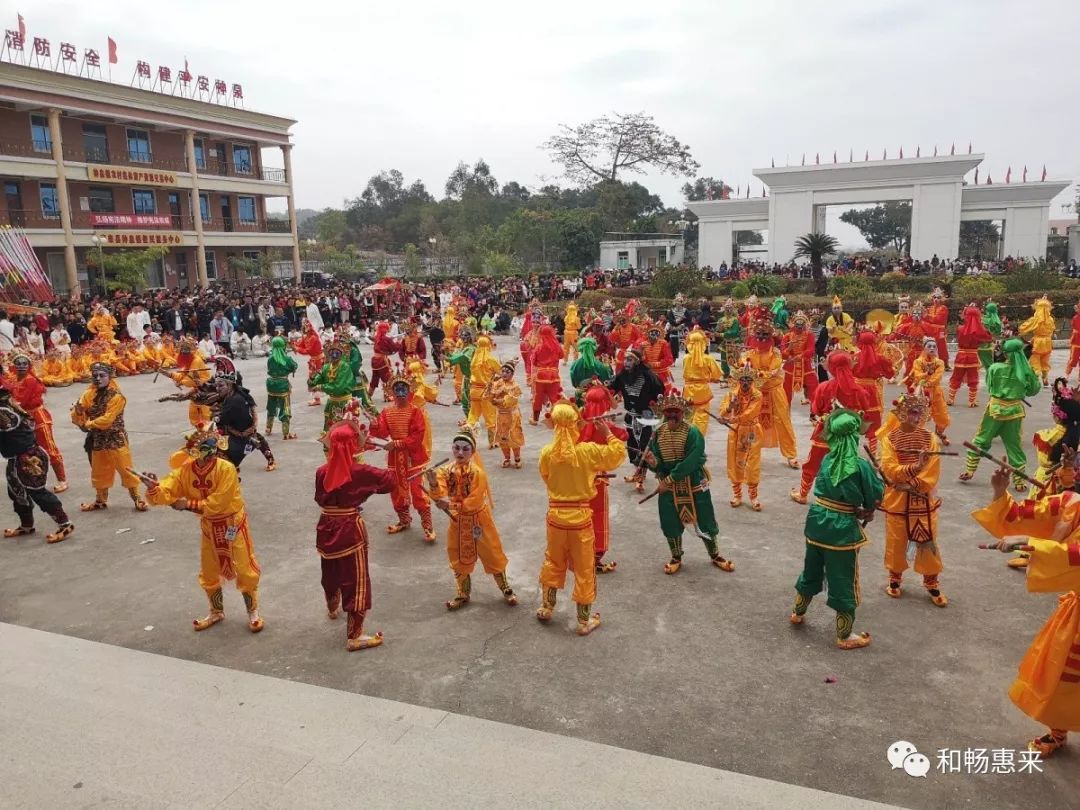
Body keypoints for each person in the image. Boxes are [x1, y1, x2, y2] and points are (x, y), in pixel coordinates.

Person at [973, 466, 1080, 758]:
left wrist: (1029, 543)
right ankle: (1058, 731)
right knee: (1061, 676)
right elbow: (1028, 514)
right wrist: (1000, 490)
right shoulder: (1071, 505)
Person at [141, 427, 264, 633]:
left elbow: (220, 502)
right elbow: (168, 489)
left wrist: (188, 505)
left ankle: (253, 611)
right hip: (210, 526)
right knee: (209, 570)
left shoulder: (226, 469)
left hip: (232, 524)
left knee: (244, 567)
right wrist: (154, 487)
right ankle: (216, 611)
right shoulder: (186, 471)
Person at [789, 409, 883, 649]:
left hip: (817, 522)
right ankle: (844, 635)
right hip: (841, 530)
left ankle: (797, 612)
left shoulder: (828, 459)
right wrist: (867, 506)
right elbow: (875, 495)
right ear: (853, 437)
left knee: (811, 569)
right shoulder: (860, 466)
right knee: (843, 579)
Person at [536, 401, 625, 635]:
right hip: (580, 519)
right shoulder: (587, 451)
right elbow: (618, 454)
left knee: (553, 561)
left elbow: (546, 478)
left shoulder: (546, 453)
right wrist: (608, 433)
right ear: (575, 424)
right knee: (585, 569)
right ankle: (583, 621)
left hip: (556, 516)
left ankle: (547, 607)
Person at [314, 420, 396, 651]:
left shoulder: (321, 472)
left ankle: (332, 606)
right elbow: (390, 481)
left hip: (325, 525)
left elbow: (319, 497)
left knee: (329, 568)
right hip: (350, 528)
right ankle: (354, 634)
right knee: (357, 580)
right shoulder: (360, 471)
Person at [641, 389, 736, 575]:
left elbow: (692, 461)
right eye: (668, 412)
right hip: (668, 485)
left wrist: (668, 479)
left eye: (675, 412)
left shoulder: (693, 432)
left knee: (705, 517)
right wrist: (653, 463)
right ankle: (676, 557)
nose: (671, 415)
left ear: (683, 413)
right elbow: (658, 462)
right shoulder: (658, 433)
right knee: (669, 520)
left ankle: (715, 554)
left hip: (693, 481)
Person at [427, 426, 518, 611]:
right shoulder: (445, 470)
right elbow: (440, 493)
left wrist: (451, 505)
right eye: (456, 448)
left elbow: (475, 500)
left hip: (478, 519)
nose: (460, 452)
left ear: (473, 451)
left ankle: (505, 587)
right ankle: (463, 593)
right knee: (458, 555)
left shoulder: (478, 473)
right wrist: (434, 483)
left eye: (465, 449)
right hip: (458, 521)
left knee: (492, 553)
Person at [879, 390, 947, 606]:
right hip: (897, 499)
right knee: (896, 540)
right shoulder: (889, 439)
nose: (917, 417)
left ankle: (932, 582)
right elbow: (888, 467)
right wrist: (914, 467)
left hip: (922, 498)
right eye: (912, 413)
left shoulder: (931, 439)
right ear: (902, 414)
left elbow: (932, 469)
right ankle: (895, 579)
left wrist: (912, 481)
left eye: (920, 413)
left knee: (927, 540)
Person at [790, 351, 874, 505]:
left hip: (824, 433)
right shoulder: (859, 390)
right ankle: (843, 497)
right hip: (847, 436)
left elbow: (816, 410)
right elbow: (865, 410)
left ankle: (803, 493)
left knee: (813, 463)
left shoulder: (824, 387)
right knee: (845, 463)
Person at [961, 338, 1042, 490]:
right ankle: (1019, 482)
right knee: (1014, 447)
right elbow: (1033, 390)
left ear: (1005, 353)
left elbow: (990, 385)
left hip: (995, 410)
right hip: (1015, 413)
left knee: (980, 439)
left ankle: (969, 470)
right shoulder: (1027, 372)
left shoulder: (995, 368)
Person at [0, 386, 74, 544]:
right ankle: (26, 525)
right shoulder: (6, 402)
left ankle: (64, 524)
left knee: (37, 492)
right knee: (17, 491)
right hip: (16, 457)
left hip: (29, 457)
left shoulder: (4, 409)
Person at [70, 362, 148, 512]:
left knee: (126, 469)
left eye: (102, 375)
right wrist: (79, 412)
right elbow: (77, 415)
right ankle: (100, 500)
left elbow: (107, 419)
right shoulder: (88, 394)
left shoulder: (117, 397)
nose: (98, 378)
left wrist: (88, 423)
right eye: (95, 376)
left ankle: (137, 498)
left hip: (115, 437)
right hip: (98, 439)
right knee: (99, 470)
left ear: (109, 377)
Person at [368, 367, 434, 541]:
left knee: (417, 490)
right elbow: (381, 433)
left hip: (413, 457)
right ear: (392, 392)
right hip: (395, 458)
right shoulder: (387, 411)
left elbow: (418, 435)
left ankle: (427, 525)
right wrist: (374, 423)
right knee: (396, 489)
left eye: (404, 389)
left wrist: (397, 443)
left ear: (409, 390)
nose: (400, 392)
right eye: (397, 389)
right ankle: (404, 520)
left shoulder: (415, 411)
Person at [578, 381, 627, 573]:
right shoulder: (605, 426)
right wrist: (609, 431)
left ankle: (579, 554)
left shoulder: (577, 421)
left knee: (580, 515)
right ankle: (595, 558)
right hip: (597, 480)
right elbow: (623, 439)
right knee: (597, 517)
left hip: (576, 480)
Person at [741, 313, 799, 469]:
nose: (761, 337)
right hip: (755, 393)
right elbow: (744, 371)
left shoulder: (776, 353)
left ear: (771, 335)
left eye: (765, 334)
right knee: (750, 422)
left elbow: (773, 371)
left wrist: (756, 373)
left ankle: (790, 454)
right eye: (758, 334)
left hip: (774, 391)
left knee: (783, 421)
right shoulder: (748, 354)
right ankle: (748, 452)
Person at [5, 352, 67, 492]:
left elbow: (22, 400)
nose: (21, 366)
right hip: (23, 418)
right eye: (18, 364)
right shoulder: (15, 380)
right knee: (27, 451)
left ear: (29, 366)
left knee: (49, 449)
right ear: (14, 366)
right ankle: (32, 480)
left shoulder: (30, 380)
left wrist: (10, 402)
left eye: (24, 364)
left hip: (38, 418)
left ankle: (62, 480)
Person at [608, 347, 665, 493]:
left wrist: (655, 403)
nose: (626, 362)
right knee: (632, 444)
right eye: (626, 359)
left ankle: (641, 477)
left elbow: (660, 391)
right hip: (630, 414)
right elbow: (612, 387)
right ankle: (637, 473)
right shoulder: (622, 375)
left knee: (644, 446)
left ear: (637, 361)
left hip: (645, 413)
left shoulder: (648, 376)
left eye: (630, 359)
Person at [719, 362, 763, 511]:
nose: (745, 383)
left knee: (752, 464)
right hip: (736, 431)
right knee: (734, 462)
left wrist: (735, 418)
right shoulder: (731, 394)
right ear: (738, 380)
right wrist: (729, 408)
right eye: (742, 379)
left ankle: (753, 496)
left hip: (752, 431)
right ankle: (737, 494)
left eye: (748, 380)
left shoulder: (757, 394)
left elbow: (751, 412)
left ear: (753, 381)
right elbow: (722, 413)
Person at [309, 337, 357, 434]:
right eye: (332, 353)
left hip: (344, 403)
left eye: (337, 353)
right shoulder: (326, 367)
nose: (334, 355)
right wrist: (312, 377)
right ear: (328, 354)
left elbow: (338, 388)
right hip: (332, 403)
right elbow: (316, 380)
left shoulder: (344, 366)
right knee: (329, 429)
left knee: (344, 431)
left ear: (342, 354)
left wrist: (321, 387)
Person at [947, 304, 992, 407]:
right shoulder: (980, 331)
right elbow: (989, 338)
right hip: (972, 357)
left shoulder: (960, 329)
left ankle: (951, 399)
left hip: (961, 356)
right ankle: (971, 401)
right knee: (973, 378)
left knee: (956, 377)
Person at [682, 327, 722, 436]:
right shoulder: (708, 359)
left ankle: (687, 443)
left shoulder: (685, 358)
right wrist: (711, 379)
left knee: (688, 417)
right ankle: (699, 445)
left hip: (688, 391)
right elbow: (717, 375)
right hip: (703, 391)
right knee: (702, 419)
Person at [165, 338, 213, 428]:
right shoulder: (188, 361)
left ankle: (209, 430)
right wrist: (169, 374)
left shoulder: (196, 360)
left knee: (205, 410)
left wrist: (181, 382)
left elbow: (191, 380)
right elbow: (182, 374)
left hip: (205, 387)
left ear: (191, 351)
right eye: (182, 350)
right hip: (196, 388)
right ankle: (200, 430)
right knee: (193, 411)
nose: (183, 352)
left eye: (186, 350)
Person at [911, 338, 950, 445]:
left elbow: (937, 377)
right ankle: (918, 439)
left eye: (934, 346)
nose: (932, 348)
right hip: (921, 392)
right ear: (924, 349)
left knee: (943, 418)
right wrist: (926, 374)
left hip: (936, 392)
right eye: (929, 346)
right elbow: (917, 376)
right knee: (920, 417)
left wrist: (927, 382)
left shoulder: (940, 363)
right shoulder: (917, 362)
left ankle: (939, 432)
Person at [464, 334, 500, 448]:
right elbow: (500, 372)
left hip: (474, 390)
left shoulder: (474, 359)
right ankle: (492, 442)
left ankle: (467, 436)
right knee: (490, 416)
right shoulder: (491, 359)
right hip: (486, 391)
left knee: (473, 415)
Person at [490, 357, 524, 468]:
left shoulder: (515, 386)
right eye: (503, 371)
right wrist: (490, 386)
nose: (504, 373)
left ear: (512, 374)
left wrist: (499, 400)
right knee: (502, 437)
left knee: (514, 436)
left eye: (507, 372)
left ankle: (517, 457)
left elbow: (512, 400)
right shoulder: (497, 383)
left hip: (512, 415)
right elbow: (490, 397)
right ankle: (507, 458)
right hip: (500, 414)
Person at [781, 310, 818, 407]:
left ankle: (815, 411)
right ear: (793, 324)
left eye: (801, 325)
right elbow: (782, 352)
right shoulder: (787, 336)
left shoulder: (809, 335)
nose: (799, 327)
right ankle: (785, 413)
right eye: (797, 325)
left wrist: (800, 356)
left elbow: (811, 350)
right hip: (790, 366)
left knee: (814, 385)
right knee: (786, 392)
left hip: (805, 365)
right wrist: (789, 350)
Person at [529, 324, 564, 425]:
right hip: (554, 375)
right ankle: (558, 419)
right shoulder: (557, 345)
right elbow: (562, 355)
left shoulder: (539, 346)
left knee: (538, 397)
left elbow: (533, 361)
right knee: (555, 397)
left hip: (541, 375)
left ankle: (535, 419)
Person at [265, 335, 298, 439]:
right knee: (285, 407)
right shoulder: (286, 358)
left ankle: (268, 428)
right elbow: (294, 366)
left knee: (271, 405)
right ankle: (285, 432)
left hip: (271, 384)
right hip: (282, 384)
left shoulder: (270, 358)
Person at [1019, 295, 1056, 386]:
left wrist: (1019, 332)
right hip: (1048, 342)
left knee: (1034, 361)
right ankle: (1045, 378)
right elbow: (1052, 330)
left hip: (1038, 343)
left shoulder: (1035, 320)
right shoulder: (1050, 320)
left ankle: (1035, 379)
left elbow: (1023, 328)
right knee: (1045, 361)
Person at [293, 320, 325, 406]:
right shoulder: (305, 337)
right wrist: (292, 344)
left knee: (320, 378)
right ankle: (317, 399)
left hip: (319, 360)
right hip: (313, 361)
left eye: (304, 327)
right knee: (313, 379)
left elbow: (307, 350)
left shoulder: (313, 338)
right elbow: (299, 345)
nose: (303, 329)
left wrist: (296, 348)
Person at [369, 321, 400, 400]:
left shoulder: (376, 337)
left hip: (375, 360)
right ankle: (388, 395)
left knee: (375, 378)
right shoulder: (387, 339)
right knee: (387, 377)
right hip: (382, 361)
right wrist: (399, 342)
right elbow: (394, 348)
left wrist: (390, 340)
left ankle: (369, 394)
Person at [924, 287, 951, 369]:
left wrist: (927, 316)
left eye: (938, 297)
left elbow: (938, 319)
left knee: (942, 347)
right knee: (929, 345)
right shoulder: (929, 308)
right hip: (930, 330)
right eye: (934, 297)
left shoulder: (944, 308)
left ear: (941, 299)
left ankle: (944, 363)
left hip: (940, 331)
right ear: (932, 298)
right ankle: (929, 361)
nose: (936, 299)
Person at [979, 300, 1002, 371]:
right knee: (990, 364)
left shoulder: (982, 319)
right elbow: (998, 333)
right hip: (990, 344)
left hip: (979, 344)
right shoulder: (997, 321)